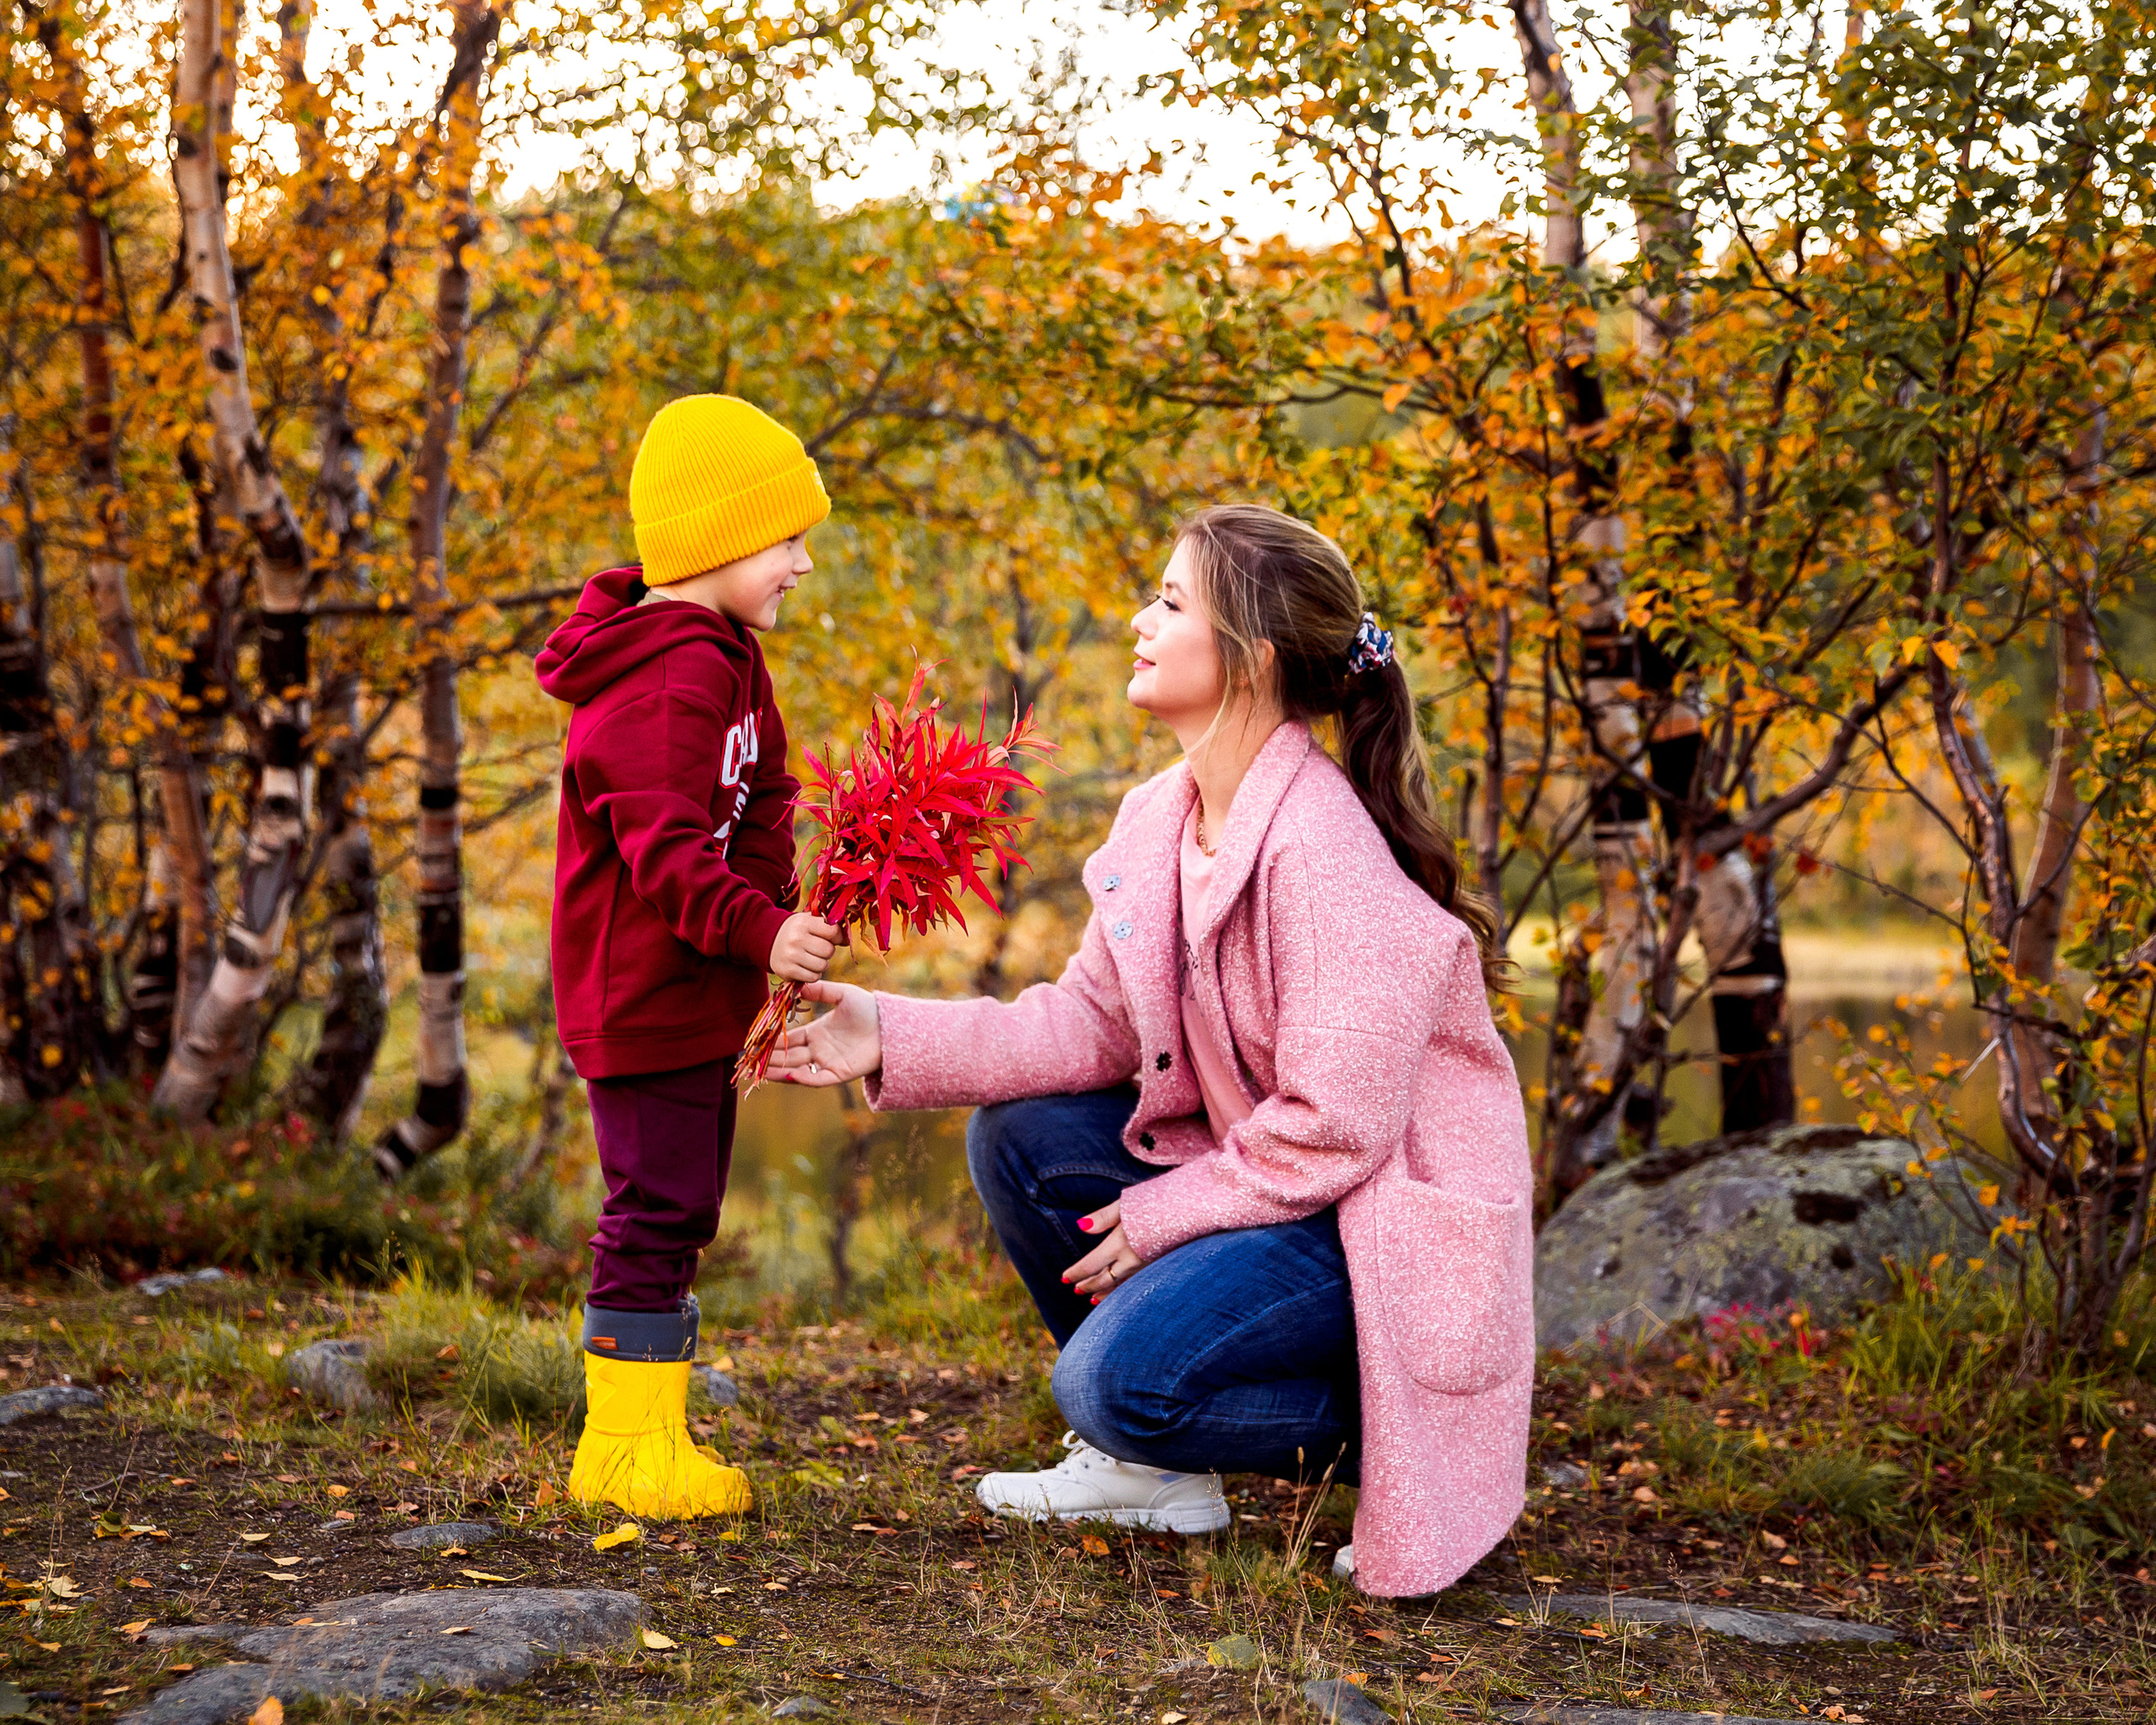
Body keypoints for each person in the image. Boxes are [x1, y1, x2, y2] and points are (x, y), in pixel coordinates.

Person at [771, 503, 1534, 1599]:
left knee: (1111, 1384)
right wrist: (887, 1030)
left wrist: (1164, 1213)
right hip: (1280, 1189)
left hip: (1376, 1226)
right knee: (1024, 1135)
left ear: (1249, 659)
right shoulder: (1158, 819)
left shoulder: (1326, 855)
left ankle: (1385, 1415)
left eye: (1171, 603)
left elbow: (1338, 1127)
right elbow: (1090, 1024)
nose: (1140, 621)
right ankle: (1155, 1474)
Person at [535, 394, 842, 1519]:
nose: (803, 565)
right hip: (645, 994)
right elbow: (660, 849)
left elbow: (763, 795)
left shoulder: (727, 658)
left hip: (702, 987)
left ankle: (654, 1435)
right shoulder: (661, 682)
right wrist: (757, 929)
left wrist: (786, 904)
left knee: (684, 1207)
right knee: (654, 1210)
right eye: (787, 540)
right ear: (718, 538)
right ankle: (619, 1452)